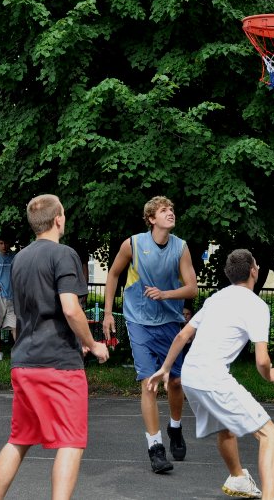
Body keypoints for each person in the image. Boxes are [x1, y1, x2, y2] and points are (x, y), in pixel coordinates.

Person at [0, 194, 109, 500]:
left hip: (24, 361)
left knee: (18, 439)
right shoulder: (63, 254)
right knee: (71, 441)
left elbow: (33, 310)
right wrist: (91, 343)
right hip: (58, 365)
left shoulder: (20, 259)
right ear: (58, 219)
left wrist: (76, 340)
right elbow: (69, 308)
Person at [148, 249, 274, 500]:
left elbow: (182, 335)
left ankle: (238, 478)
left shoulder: (216, 299)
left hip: (191, 376)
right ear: (253, 271)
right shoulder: (256, 306)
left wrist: (165, 368)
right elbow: (262, 360)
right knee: (271, 434)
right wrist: (270, 375)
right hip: (211, 376)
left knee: (225, 427)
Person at [102, 196, 198, 473]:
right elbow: (113, 274)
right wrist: (108, 313)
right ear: (151, 219)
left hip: (169, 321)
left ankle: (175, 427)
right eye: (164, 210)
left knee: (176, 382)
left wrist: (165, 294)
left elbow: (192, 288)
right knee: (149, 383)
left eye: (172, 209)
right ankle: (155, 448)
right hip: (139, 321)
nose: (170, 213)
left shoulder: (180, 247)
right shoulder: (132, 244)